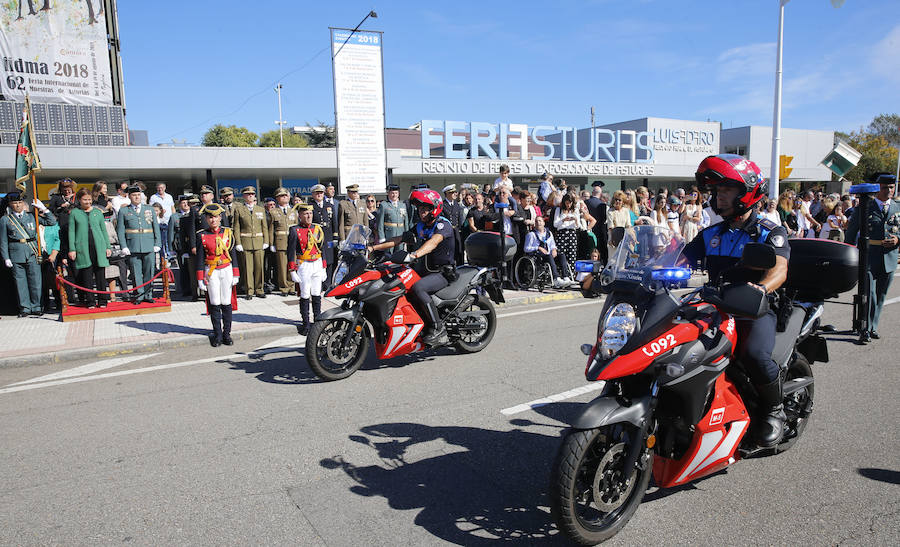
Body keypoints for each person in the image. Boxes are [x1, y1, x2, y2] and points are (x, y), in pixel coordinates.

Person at [683, 154, 789, 447]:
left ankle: (774, 410)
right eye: (717, 191)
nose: (719, 196)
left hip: (753, 309)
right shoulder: (710, 234)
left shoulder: (769, 232)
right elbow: (677, 260)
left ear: (747, 192)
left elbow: (779, 270)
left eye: (726, 190)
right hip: (715, 306)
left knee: (754, 355)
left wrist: (762, 290)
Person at [368, 189, 456, 346]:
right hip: (424, 270)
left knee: (418, 288)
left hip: (442, 272)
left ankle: (437, 327)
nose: (421, 211)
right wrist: (374, 248)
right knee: (396, 281)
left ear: (435, 208)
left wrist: (414, 255)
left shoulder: (443, 225)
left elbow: (433, 243)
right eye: (420, 208)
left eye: (425, 208)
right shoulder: (420, 226)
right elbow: (399, 239)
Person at [845, 174, 899, 342]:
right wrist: (847, 252)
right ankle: (865, 329)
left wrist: (898, 240)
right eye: (885, 187)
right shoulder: (865, 207)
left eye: (891, 187)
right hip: (869, 256)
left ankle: (873, 327)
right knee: (870, 295)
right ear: (877, 189)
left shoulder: (897, 207)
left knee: (881, 296)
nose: (888, 191)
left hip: (890, 257)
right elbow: (852, 232)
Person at [1, 192, 56, 316]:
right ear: (10, 205)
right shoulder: (6, 220)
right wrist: (6, 257)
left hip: (32, 252)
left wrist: (43, 209)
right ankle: (25, 308)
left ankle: (37, 306)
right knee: (20, 283)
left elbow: (51, 222)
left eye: (20, 202)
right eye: (15, 203)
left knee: (35, 281)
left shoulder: (32, 216)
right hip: (15, 253)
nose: (18, 205)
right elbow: (3, 241)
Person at [196, 203, 239, 347]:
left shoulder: (228, 232)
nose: (213, 220)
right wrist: (200, 278)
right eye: (210, 217)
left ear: (220, 217)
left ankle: (227, 334)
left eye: (215, 217)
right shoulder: (202, 235)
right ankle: (218, 334)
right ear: (207, 219)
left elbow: (233, 253)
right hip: (211, 271)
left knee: (226, 302)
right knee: (214, 302)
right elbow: (200, 258)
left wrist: (236, 273)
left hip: (226, 269)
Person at [116, 185, 161, 304]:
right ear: (129, 197)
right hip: (133, 245)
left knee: (149, 271)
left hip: (149, 243)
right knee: (136, 273)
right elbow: (120, 230)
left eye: (138, 195)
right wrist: (123, 246)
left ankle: (148, 294)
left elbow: (155, 227)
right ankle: (139, 295)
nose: (137, 197)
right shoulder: (124, 211)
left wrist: (157, 243)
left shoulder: (149, 209)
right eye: (134, 195)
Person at [68, 188, 112, 308]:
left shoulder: (98, 212)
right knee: (86, 276)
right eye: (85, 200)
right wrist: (72, 249)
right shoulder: (74, 213)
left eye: (89, 199)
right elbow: (71, 232)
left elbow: (103, 230)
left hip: (98, 247)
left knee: (100, 276)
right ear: (79, 200)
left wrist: (108, 247)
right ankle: (90, 301)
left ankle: (102, 300)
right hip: (83, 248)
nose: (87, 202)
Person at [287, 204, 326, 335]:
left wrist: (324, 267)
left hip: (317, 263)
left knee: (316, 293)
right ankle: (306, 323)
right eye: (306, 214)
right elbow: (290, 251)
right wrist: (292, 270)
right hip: (304, 264)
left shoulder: (317, 228)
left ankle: (317, 321)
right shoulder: (294, 230)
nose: (309, 216)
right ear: (300, 216)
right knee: (304, 294)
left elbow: (322, 248)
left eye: (310, 213)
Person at [232, 185, 270, 299]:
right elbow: (236, 227)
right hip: (246, 242)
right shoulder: (239, 209)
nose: (250, 196)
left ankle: (259, 289)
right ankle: (249, 290)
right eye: (248, 194)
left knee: (259, 267)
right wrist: (238, 242)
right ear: (244, 196)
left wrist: (266, 241)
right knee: (248, 268)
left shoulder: (260, 209)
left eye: (252, 194)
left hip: (259, 241)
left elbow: (265, 227)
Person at [268, 187, 299, 296]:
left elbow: (297, 228)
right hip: (280, 241)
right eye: (281, 196)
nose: (284, 198)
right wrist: (271, 244)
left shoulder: (294, 211)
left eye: (286, 196)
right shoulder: (273, 212)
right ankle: (284, 287)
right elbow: (271, 229)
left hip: (292, 242)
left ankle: (291, 286)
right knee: (282, 266)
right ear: (277, 198)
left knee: (292, 265)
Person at [524, 216, 571, 288]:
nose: (538, 223)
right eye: (536, 221)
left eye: (540, 221)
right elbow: (526, 248)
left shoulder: (549, 233)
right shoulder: (531, 235)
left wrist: (554, 249)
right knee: (549, 256)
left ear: (543, 223)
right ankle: (556, 279)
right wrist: (538, 248)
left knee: (561, 255)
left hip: (549, 253)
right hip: (539, 256)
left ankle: (566, 277)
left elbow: (552, 244)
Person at [309, 184, 337, 284]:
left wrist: (335, 237)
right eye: (317, 193)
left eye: (321, 193)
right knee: (318, 260)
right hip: (316, 238)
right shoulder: (310, 206)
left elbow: (334, 222)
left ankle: (328, 283)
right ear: (313, 194)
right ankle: (318, 283)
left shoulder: (330, 206)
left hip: (328, 237)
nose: (319, 195)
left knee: (329, 260)